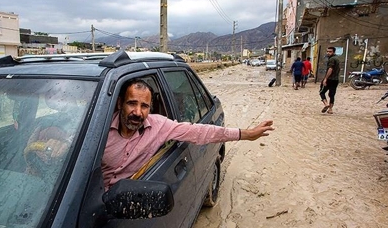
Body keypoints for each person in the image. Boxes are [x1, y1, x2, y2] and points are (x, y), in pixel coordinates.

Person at [101, 78, 274, 191]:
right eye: (132, 103)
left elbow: (199, 132)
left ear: (150, 108)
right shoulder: (99, 131)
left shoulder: (159, 126)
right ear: (119, 103)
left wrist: (247, 134)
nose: (138, 112)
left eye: (144, 106)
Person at [320, 46, 341, 114]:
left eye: (330, 52)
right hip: (336, 79)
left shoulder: (331, 59)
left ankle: (326, 104)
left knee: (322, 92)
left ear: (333, 52)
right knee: (332, 94)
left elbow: (330, 69)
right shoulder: (337, 59)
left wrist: (325, 79)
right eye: (327, 51)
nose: (328, 53)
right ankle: (330, 109)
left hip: (330, 79)